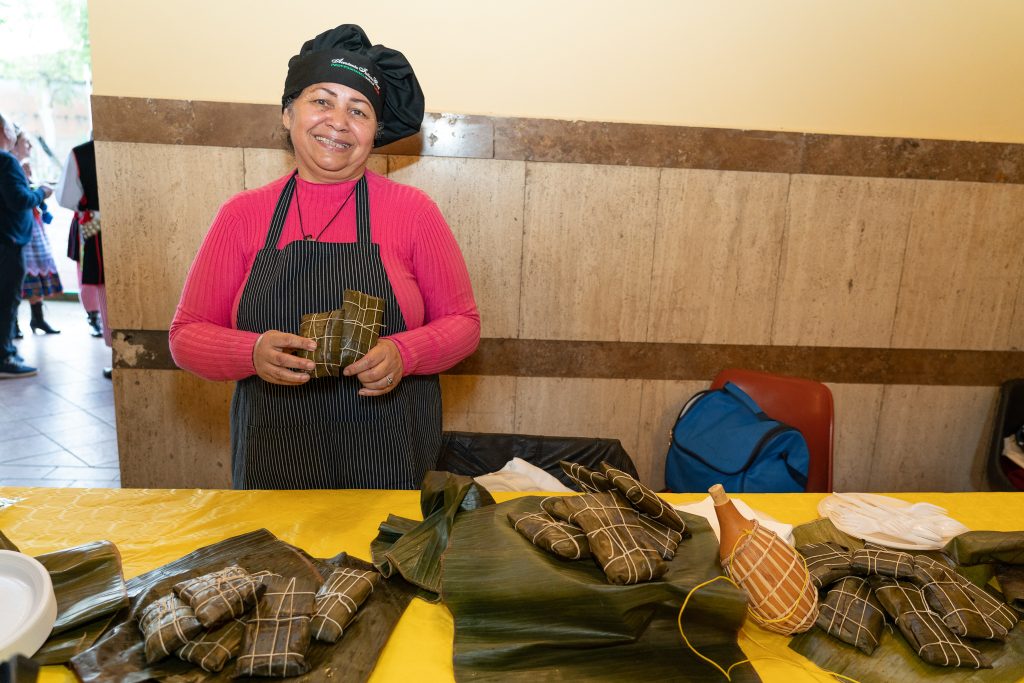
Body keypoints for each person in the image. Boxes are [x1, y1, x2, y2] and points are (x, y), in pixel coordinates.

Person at [170, 24, 480, 490]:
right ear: (287, 114)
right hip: (274, 458)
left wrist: (404, 353)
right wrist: (249, 352)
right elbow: (186, 335)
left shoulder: (413, 212)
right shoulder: (242, 215)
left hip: (390, 455)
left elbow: (464, 323)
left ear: (374, 132)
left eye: (358, 110)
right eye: (322, 101)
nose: (338, 121)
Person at [0, 112, 51, 378]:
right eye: (10, 128)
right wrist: (41, 192)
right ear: (4, 131)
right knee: (7, 300)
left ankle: (6, 349)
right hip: (8, 241)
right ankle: (4, 358)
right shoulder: (6, 161)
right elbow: (19, 200)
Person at [56, 137, 111, 378]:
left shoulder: (81, 153)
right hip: (135, 221)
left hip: (99, 226)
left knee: (105, 286)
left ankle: (118, 356)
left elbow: (67, 197)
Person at [12, 129, 63, 335]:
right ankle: (13, 323)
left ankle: (37, 318)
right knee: (19, 275)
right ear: (14, 144)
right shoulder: (10, 166)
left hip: (32, 225)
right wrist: (40, 191)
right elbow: (19, 198)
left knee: (34, 273)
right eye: (25, 142)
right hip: (20, 228)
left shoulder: (21, 166)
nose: (30, 146)